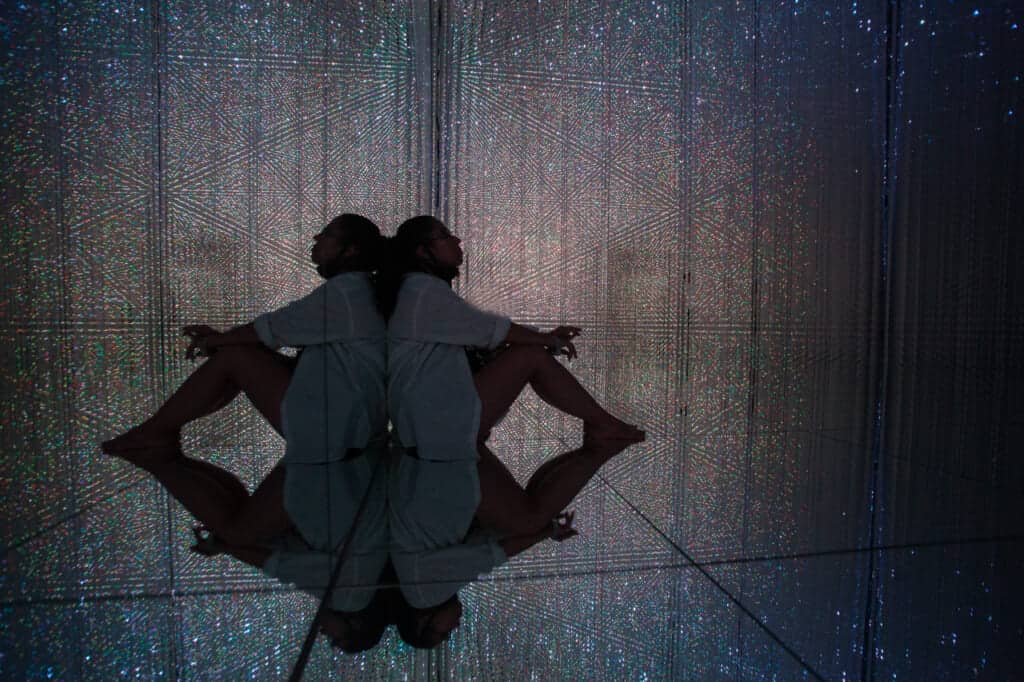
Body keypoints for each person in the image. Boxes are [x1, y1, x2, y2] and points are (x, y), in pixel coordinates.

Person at [378, 215, 645, 645]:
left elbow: (479, 332)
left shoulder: (423, 587)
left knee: (529, 359)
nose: (456, 240)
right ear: (423, 252)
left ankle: (602, 427)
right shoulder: (421, 291)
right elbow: (484, 330)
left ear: (425, 621)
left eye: (443, 632)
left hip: (433, 425)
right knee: (531, 361)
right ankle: (602, 426)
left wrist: (540, 534)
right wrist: (545, 339)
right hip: (438, 425)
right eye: (446, 236)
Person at [101, 213, 388, 552]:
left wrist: (216, 342)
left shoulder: (346, 293)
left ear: (350, 250)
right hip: (348, 428)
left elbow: (271, 329)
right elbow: (302, 356)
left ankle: (155, 432)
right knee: (238, 355)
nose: (316, 240)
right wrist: (225, 341)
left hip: (331, 429)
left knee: (235, 358)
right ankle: (161, 435)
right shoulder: (362, 293)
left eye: (325, 234)